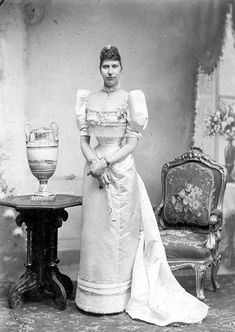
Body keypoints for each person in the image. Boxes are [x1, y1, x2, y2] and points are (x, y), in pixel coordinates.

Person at [74, 45, 209, 326]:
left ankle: (117, 297)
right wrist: (94, 165)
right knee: (96, 235)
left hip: (120, 170)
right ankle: (93, 297)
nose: (109, 71)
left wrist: (105, 163)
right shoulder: (88, 99)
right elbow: (84, 139)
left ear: (121, 68)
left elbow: (132, 143)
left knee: (118, 234)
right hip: (94, 171)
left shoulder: (130, 99)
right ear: (99, 69)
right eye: (105, 66)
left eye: (114, 66)